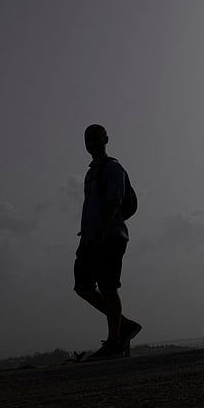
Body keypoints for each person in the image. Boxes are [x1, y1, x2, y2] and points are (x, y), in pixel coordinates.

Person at [74, 124, 141, 360]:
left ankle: (114, 341)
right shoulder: (91, 172)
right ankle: (123, 325)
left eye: (95, 137)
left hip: (110, 236)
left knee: (108, 286)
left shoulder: (112, 167)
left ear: (106, 139)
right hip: (90, 237)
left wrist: (102, 230)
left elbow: (115, 200)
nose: (91, 142)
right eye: (87, 139)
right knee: (82, 285)